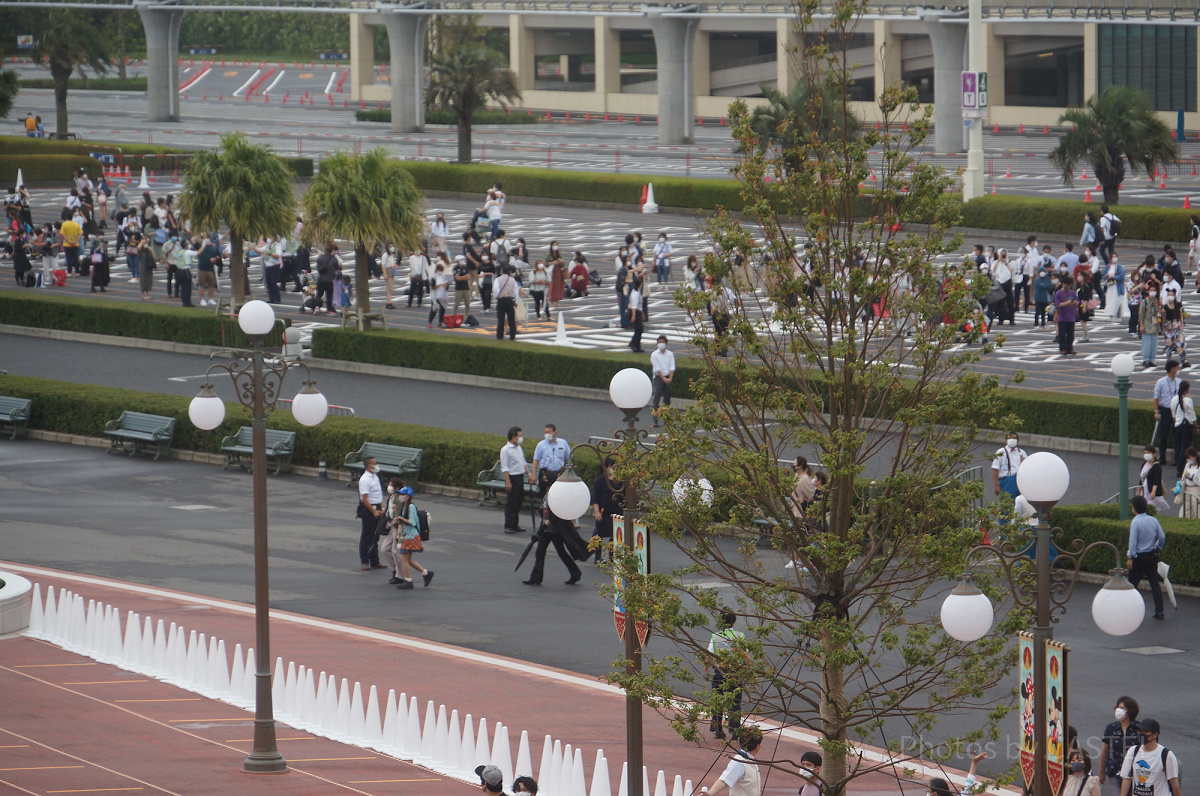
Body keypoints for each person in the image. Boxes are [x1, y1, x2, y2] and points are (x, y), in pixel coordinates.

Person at [522, 499, 583, 587]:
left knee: (561, 552)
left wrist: (539, 532)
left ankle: (575, 573)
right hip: (547, 530)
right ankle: (536, 577)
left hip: (554, 530)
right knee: (540, 552)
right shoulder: (547, 495)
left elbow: (552, 517)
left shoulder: (555, 497)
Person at [706, 610, 747, 740]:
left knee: (718, 702)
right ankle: (735, 730)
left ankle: (717, 729)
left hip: (719, 671)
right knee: (735, 703)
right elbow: (745, 655)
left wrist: (707, 666)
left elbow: (709, 654)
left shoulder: (716, 636)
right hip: (735, 672)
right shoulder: (740, 636)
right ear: (734, 621)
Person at [1126, 495, 1166, 620]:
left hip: (1138, 557)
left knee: (1132, 585)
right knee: (1154, 584)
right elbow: (1162, 536)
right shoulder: (1153, 520)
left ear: (1134, 509)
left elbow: (1133, 542)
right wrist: (1158, 546)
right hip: (1151, 555)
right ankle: (1159, 610)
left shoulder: (1135, 522)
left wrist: (1130, 557)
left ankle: (1129, 610)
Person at [1118, 718, 1181, 796]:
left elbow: (1174, 784)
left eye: (1145, 731)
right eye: (1140, 731)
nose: (1141, 734)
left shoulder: (1166, 755)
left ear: (1155, 735)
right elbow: (1126, 779)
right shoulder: (1132, 752)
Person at [700, 725, 762, 795]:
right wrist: (710, 794)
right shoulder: (739, 762)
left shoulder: (750, 759)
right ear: (758, 746)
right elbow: (724, 780)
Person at [392, 486, 433, 590]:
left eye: (402, 494)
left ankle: (408, 580)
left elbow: (412, 522)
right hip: (408, 535)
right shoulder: (404, 507)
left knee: (404, 559)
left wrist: (401, 518)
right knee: (408, 559)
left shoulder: (410, 507)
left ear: (408, 496)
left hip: (412, 536)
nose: (400, 496)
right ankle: (425, 573)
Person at [1101, 697, 1141, 796]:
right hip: (1114, 769)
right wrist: (1101, 772)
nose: (1118, 710)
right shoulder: (1111, 728)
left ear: (1130, 711)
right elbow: (1104, 751)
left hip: (1134, 772)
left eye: (1122, 708)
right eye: (1117, 707)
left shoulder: (1139, 728)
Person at [588, 457, 621, 564]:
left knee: (614, 534)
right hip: (604, 511)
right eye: (611, 466)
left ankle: (612, 557)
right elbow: (596, 498)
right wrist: (597, 512)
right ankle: (597, 556)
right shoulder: (600, 480)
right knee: (599, 533)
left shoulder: (618, 480)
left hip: (617, 511)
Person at [356, 456, 386, 571]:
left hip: (377, 506)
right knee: (367, 536)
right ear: (369, 466)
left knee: (375, 535)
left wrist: (381, 508)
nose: (377, 465)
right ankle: (364, 561)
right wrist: (373, 511)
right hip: (369, 509)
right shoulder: (365, 479)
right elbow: (364, 499)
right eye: (375, 463)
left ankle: (375, 561)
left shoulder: (375, 477)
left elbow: (378, 495)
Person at [1152, 361, 1181, 466]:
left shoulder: (1179, 381)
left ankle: (1177, 458)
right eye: (1176, 367)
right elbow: (1156, 397)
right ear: (1171, 368)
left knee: (1177, 434)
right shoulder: (1161, 381)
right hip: (1165, 410)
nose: (1178, 369)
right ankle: (1162, 457)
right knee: (1163, 435)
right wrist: (1156, 411)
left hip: (1176, 410)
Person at [501, 427, 529, 535]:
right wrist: (508, 482)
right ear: (513, 437)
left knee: (518, 501)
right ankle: (508, 525)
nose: (521, 438)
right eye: (519, 436)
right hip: (512, 477)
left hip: (520, 476)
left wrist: (529, 474)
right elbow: (505, 467)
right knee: (511, 502)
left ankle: (515, 524)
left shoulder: (518, 448)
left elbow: (523, 462)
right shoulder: (506, 450)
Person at [532, 424, 571, 496]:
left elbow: (568, 459)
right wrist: (534, 475)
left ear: (555, 432)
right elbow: (536, 460)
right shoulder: (541, 445)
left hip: (558, 473)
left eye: (549, 432)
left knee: (557, 495)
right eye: (545, 432)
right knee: (545, 495)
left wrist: (569, 472)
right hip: (545, 473)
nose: (547, 434)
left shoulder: (563, 443)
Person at [1169, 381, 1196, 480]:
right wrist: (1196, 427)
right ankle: (1181, 468)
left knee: (1178, 445)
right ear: (1187, 389)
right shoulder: (1188, 400)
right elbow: (1192, 415)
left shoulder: (1174, 399)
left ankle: (1177, 463)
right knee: (1185, 446)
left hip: (1178, 424)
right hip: (1186, 425)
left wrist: (1176, 422)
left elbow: (1173, 413)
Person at [992, 433, 1027, 500]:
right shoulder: (1000, 452)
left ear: (1018, 440)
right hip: (1007, 481)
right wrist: (996, 485)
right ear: (1006, 441)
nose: (1012, 440)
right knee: (1008, 503)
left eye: (1014, 438)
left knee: (1020, 502)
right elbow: (995, 469)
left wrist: (1025, 462)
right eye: (1009, 438)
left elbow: (1028, 468)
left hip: (1020, 481)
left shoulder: (1022, 452)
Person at [650, 335, 675, 427]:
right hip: (658, 379)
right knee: (656, 400)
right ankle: (655, 420)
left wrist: (670, 378)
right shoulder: (654, 354)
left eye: (663, 342)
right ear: (657, 343)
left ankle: (666, 420)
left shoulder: (670, 354)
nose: (661, 344)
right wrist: (664, 379)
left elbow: (672, 367)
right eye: (659, 342)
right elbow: (657, 368)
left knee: (667, 400)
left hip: (668, 377)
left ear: (666, 344)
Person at [1160, 288, 1188, 370]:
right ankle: (1168, 361)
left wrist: (1182, 324)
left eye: (1172, 295)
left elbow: (1181, 315)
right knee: (1169, 345)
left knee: (1180, 343)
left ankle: (1184, 360)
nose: (1170, 296)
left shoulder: (1178, 305)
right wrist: (1162, 328)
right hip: (1168, 327)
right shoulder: (1165, 306)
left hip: (1177, 325)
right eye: (1169, 295)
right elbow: (1164, 318)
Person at [494, 264, 521, 340]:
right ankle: (512, 336)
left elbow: (495, 290)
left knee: (501, 320)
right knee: (511, 320)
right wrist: (516, 301)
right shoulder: (512, 280)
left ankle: (500, 336)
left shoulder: (497, 279)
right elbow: (516, 291)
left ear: (501, 271)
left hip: (501, 300)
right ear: (509, 271)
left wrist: (497, 297)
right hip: (509, 300)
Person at [1054, 275, 1079, 356]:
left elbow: (1078, 302)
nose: (1067, 286)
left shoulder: (1072, 292)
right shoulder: (1058, 293)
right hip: (1062, 317)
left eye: (1069, 285)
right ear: (1063, 284)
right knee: (1062, 334)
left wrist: (1075, 303)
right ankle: (1063, 349)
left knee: (1071, 335)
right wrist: (1067, 303)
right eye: (1066, 284)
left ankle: (1070, 348)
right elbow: (1058, 304)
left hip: (1071, 317)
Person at [1179, 447, 1200, 518]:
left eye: (1189, 457)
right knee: (1184, 511)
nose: (1188, 459)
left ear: (1195, 457)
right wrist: (1178, 487)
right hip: (1187, 488)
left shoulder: (1199, 468)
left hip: (1196, 490)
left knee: (1196, 511)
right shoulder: (1187, 465)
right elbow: (1183, 478)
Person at [428, 261, 449, 328]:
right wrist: (440, 285)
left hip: (442, 294)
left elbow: (447, 285)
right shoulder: (434, 277)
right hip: (435, 295)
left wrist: (446, 285)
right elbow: (433, 287)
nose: (441, 272)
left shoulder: (443, 276)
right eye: (440, 270)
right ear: (437, 270)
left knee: (442, 308)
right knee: (434, 309)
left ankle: (440, 322)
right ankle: (429, 322)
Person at [627, 277, 645, 353]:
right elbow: (634, 306)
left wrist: (642, 313)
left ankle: (636, 345)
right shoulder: (635, 294)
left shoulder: (637, 292)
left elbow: (639, 305)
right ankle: (634, 344)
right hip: (635, 312)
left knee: (639, 329)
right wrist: (634, 316)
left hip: (638, 312)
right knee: (639, 329)